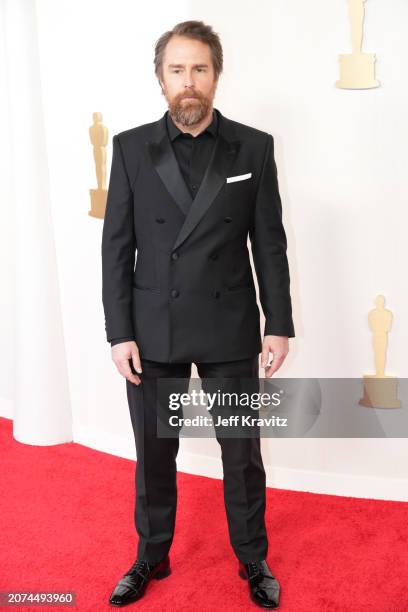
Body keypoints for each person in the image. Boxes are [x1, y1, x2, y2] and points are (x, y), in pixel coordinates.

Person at [102, 19, 295, 609]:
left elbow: (269, 240)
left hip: (229, 326)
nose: (189, 82)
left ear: (217, 75)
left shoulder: (253, 146)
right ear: (161, 79)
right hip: (153, 330)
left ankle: (252, 557)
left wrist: (278, 321)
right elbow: (117, 244)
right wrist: (120, 332)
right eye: (177, 70)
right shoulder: (132, 147)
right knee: (156, 451)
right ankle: (150, 554)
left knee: (242, 453)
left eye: (200, 69)